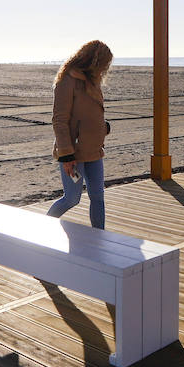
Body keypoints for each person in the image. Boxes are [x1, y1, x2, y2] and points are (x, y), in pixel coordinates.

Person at [48, 40, 112, 229]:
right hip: (73, 154)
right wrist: (66, 155)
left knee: (98, 197)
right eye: (104, 64)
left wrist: (103, 128)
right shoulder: (67, 80)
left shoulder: (92, 81)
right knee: (71, 199)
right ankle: (42, 225)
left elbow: (90, 113)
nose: (105, 69)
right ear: (94, 60)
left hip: (94, 151)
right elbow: (59, 120)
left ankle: (99, 237)